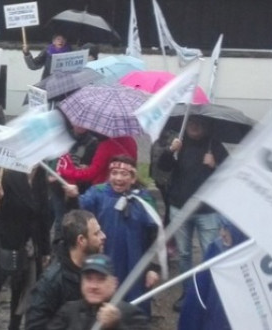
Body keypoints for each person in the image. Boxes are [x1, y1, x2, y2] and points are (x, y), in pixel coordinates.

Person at [74, 156, 160, 317]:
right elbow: (78, 215)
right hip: (104, 263)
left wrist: (153, 268)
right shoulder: (97, 193)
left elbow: (156, 237)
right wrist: (72, 197)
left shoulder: (144, 200)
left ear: (133, 177)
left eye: (124, 174)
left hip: (135, 266)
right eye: (114, 173)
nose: (118, 178)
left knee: (134, 313)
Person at [156, 118, 228, 310]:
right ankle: (188, 293)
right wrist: (171, 151)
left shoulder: (216, 146)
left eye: (199, 123)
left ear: (206, 125)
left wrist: (215, 166)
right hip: (180, 208)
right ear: (185, 125)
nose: (194, 126)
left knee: (210, 254)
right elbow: (162, 167)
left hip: (208, 211)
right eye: (191, 123)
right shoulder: (179, 143)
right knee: (185, 254)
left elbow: (230, 175)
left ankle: (208, 294)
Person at [0, 165, 52, 330]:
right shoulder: (9, 175)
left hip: (27, 246)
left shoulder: (42, 179)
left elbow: (43, 216)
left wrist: (45, 250)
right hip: (4, 243)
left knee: (19, 294)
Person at [26, 209, 106, 330]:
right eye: (96, 233)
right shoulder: (51, 282)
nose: (103, 236)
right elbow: (35, 325)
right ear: (81, 240)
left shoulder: (98, 270)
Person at [176, 217, 246, 330]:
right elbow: (195, 301)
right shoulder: (217, 249)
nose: (222, 233)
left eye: (228, 229)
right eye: (222, 227)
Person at [47, 254, 149, 330]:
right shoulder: (68, 311)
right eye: (88, 279)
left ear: (114, 283)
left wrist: (117, 326)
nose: (93, 286)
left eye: (101, 279)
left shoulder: (130, 314)